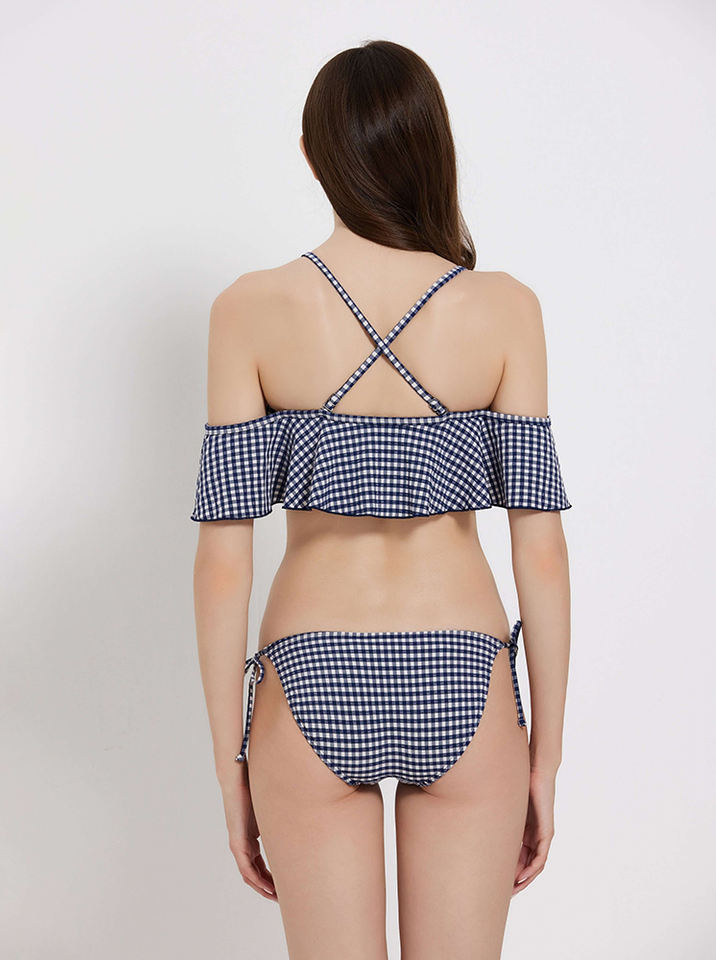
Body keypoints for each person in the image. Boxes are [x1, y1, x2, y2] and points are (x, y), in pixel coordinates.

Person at [191, 39, 572, 960]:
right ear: (430, 144)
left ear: (313, 153)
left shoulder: (250, 308)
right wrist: (546, 760)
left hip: (308, 672)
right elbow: (541, 549)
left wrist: (231, 765)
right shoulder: (504, 309)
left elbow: (223, 561)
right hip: (465, 669)